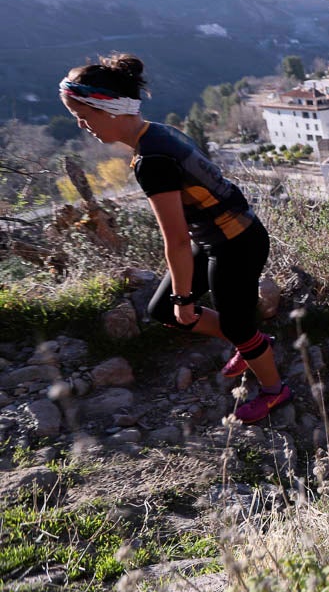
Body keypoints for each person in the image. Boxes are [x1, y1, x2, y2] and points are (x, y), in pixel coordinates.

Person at [58, 54, 289, 423]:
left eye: (84, 116)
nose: (84, 126)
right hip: (220, 237)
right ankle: (251, 343)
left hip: (236, 242)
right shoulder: (157, 132)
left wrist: (186, 298)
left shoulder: (152, 161)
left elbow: (177, 242)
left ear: (110, 108)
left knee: (215, 318)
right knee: (162, 309)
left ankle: (275, 390)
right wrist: (178, 301)